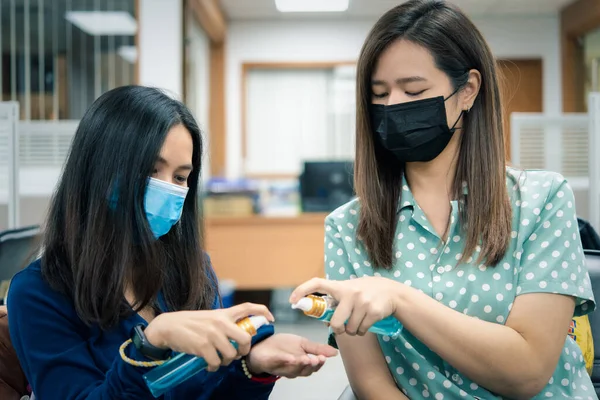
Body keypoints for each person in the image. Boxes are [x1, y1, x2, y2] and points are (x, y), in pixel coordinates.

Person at [290, 1, 597, 399]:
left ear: (467, 90)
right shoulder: (349, 227)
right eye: (379, 94)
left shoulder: (541, 201)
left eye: (414, 90)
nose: (393, 106)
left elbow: (528, 372)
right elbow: (372, 386)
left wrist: (399, 298)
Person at [7, 85, 337, 399]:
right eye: (151, 170)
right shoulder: (39, 293)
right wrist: (151, 343)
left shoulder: (191, 268)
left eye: (180, 177)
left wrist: (251, 366)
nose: (169, 188)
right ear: (99, 172)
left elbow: (211, 393)